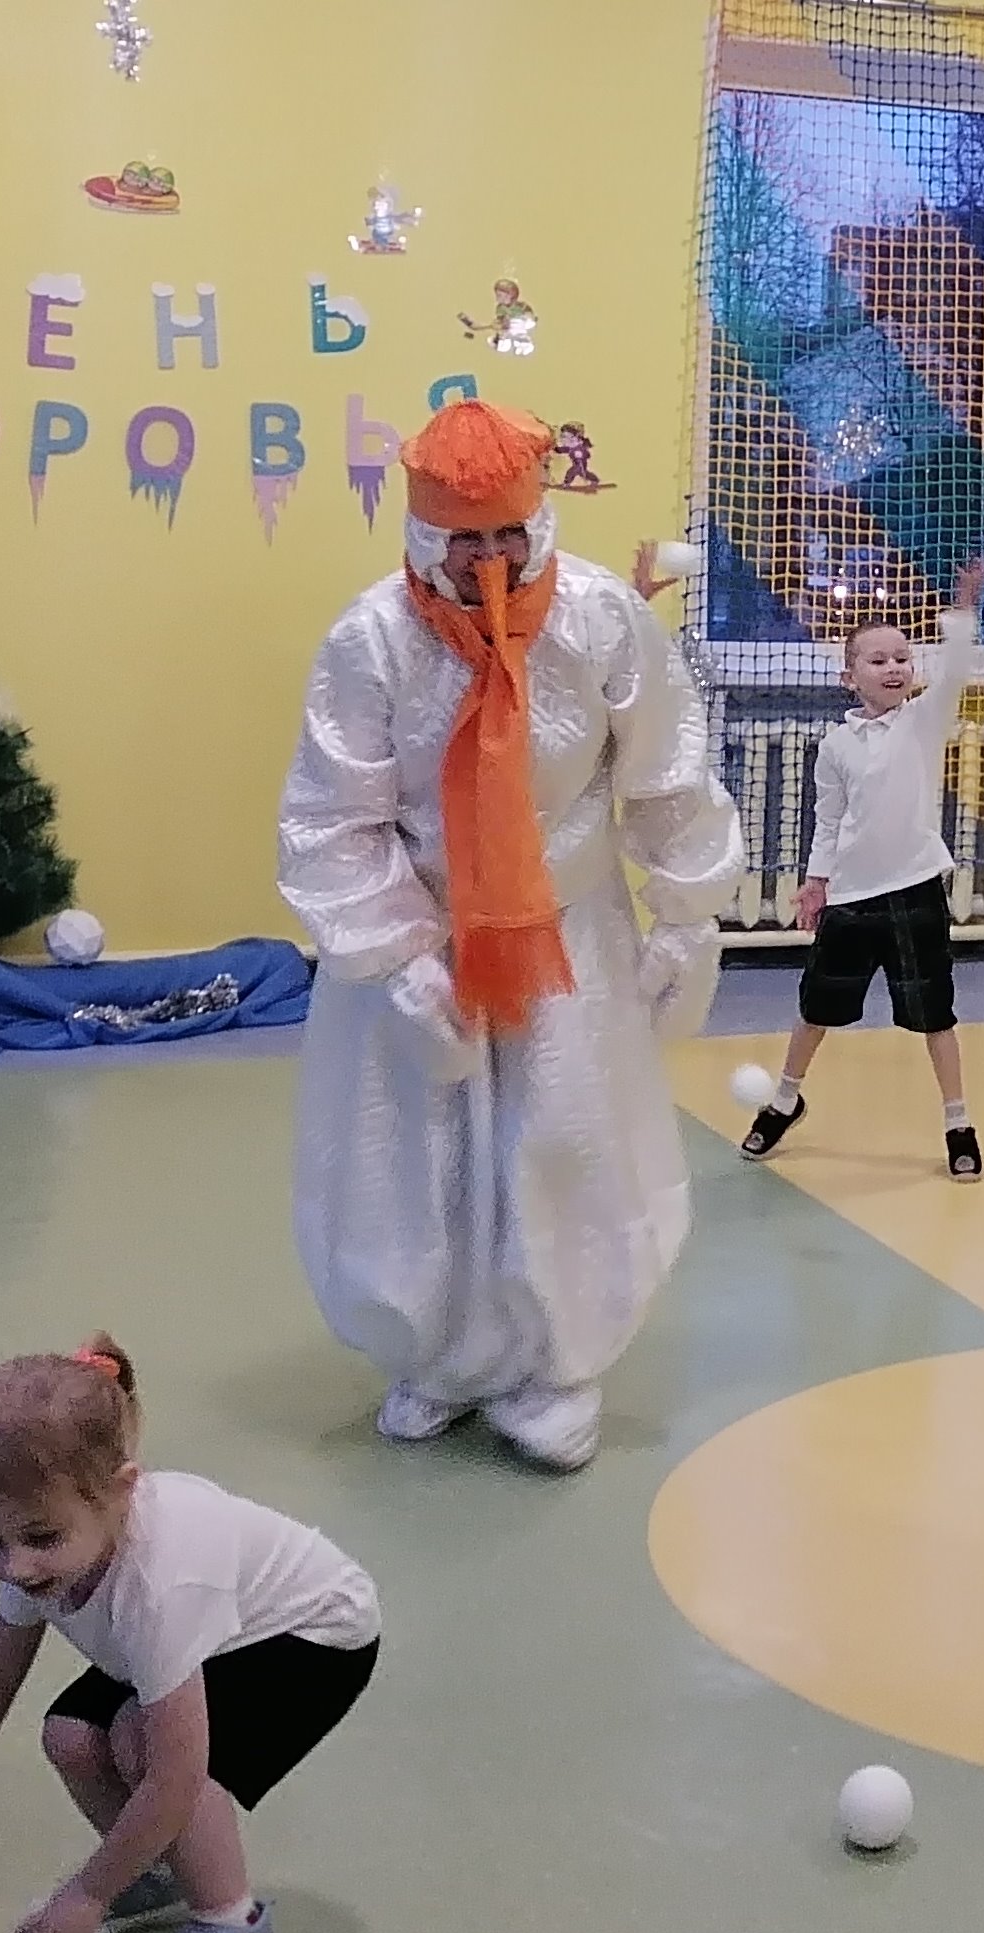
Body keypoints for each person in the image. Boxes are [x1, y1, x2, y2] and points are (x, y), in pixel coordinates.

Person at [278, 399, 744, 1472]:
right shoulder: (370, 640)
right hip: (421, 930)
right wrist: (398, 960)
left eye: (506, 534)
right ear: (421, 534)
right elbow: (333, 816)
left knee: (561, 1144)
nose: (487, 559)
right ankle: (438, 1358)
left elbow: (666, 769)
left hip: (568, 935)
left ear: (538, 524)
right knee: (417, 1155)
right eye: (463, 538)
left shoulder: (600, 619)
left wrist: (688, 915)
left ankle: (553, 1367)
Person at [0, 1338, 381, 1933]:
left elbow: (176, 1777)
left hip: (317, 1637)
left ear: (122, 1492)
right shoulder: (42, 1545)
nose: (14, 1566)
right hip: (223, 1633)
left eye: (40, 1538)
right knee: (71, 1735)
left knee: (140, 1741)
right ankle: (163, 1870)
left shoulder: (162, 1586)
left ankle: (235, 1932)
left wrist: (88, 1893)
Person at [739, 560, 984, 1180]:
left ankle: (958, 1122)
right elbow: (828, 821)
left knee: (934, 1014)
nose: (893, 667)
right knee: (817, 1009)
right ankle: (785, 1100)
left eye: (902, 657)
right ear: (849, 676)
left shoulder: (925, 721)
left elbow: (956, 667)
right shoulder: (836, 746)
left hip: (916, 893)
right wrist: (816, 882)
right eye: (877, 660)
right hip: (852, 899)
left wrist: (964, 606)